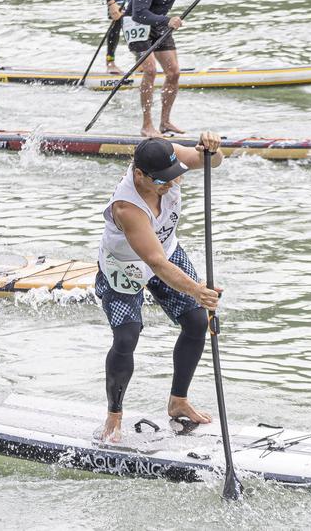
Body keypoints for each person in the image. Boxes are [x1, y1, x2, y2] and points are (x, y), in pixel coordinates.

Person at [95, 134, 223, 443]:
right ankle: (115, 413)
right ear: (139, 175)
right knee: (127, 336)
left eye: (172, 175)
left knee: (195, 322)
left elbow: (213, 163)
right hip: (124, 263)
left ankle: (178, 401)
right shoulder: (127, 207)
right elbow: (156, 264)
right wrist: (197, 289)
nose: (171, 183)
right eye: (161, 181)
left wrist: (214, 150)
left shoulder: (167, 154)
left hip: (166, 249)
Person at [124, 0, 258, 137]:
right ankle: (147, 125)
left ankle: (165, 122)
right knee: (150, 70)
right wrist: (168, 20)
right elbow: (139, 13)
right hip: (137, 23)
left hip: (161, 21)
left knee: (174, 72)